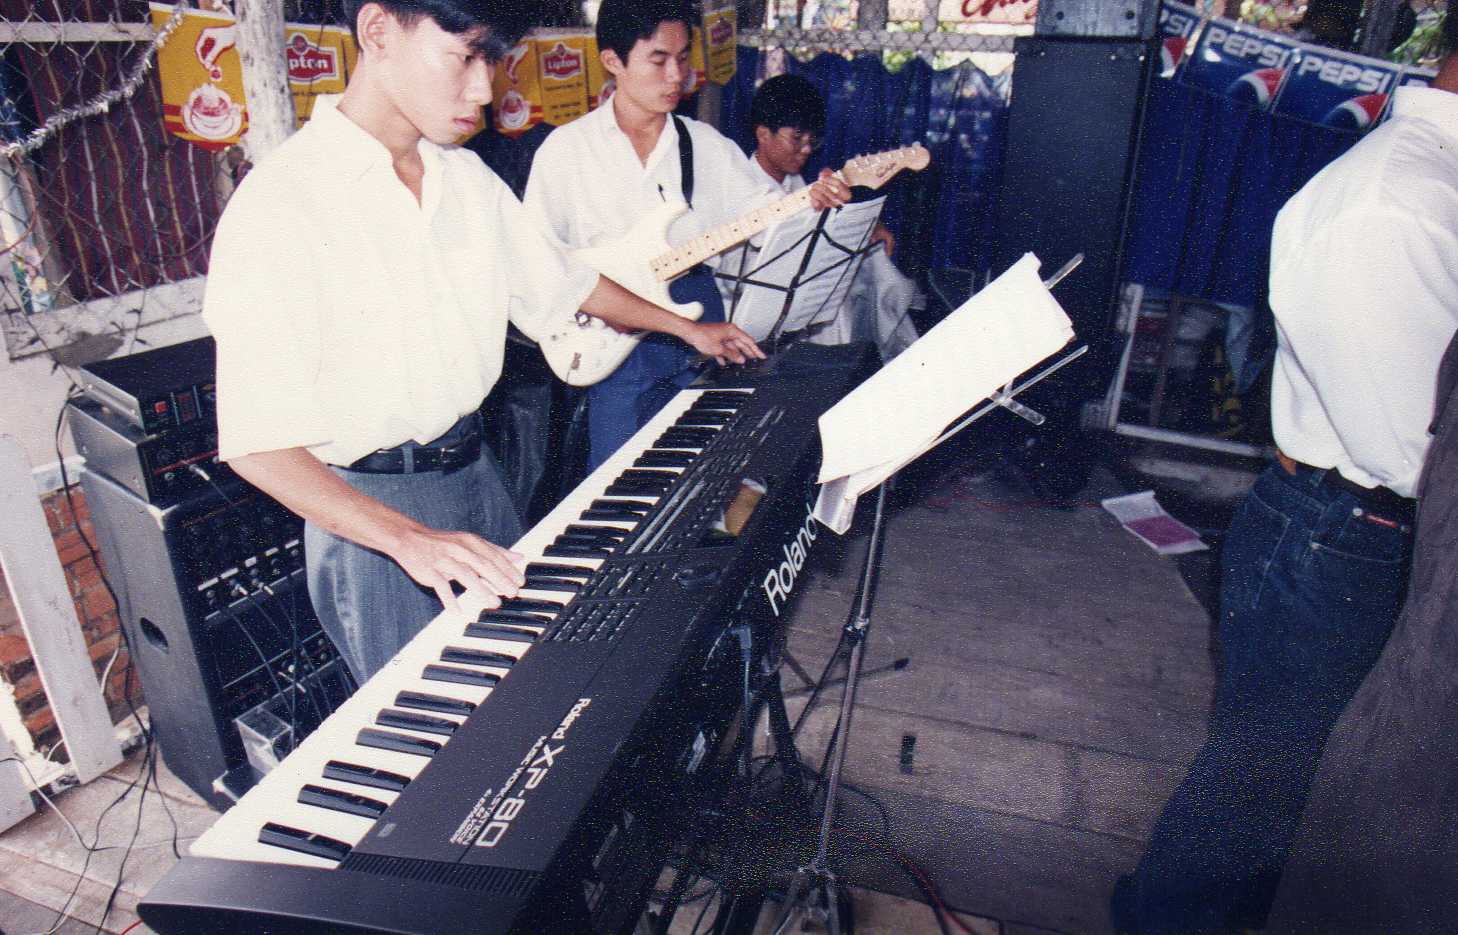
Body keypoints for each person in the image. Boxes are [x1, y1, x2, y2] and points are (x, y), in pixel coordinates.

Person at [205, 0, 764, 682]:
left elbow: (567, 283)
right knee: (441, 734)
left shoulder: (465, 179)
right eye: (465, 57)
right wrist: (410, 540)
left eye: (493, 62)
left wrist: (686, 327)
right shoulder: (281, 204)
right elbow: (258, 445)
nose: (484, 89)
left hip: (480, 476)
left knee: (526, 688)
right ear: (378, 32)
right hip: (376, 519)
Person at [1111, 11, 1458, 934]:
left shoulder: (1424, 185)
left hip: (1350, 526)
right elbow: (1410, 448)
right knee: (1256, 802)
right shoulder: (1400, 202)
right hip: (1350, 532)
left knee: (1273, 801)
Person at [523, 0, 850, 470]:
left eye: (682, 58)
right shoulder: (566, 151)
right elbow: (537, 264)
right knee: (616, 479)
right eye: (659, 60)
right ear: (613, 60)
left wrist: (811, 201)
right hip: (612, 337)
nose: (677, 75)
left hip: (701, 326)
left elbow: (767, 218)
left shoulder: (705, 145)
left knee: (699, 470)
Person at [745, 73, 918, 361]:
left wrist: (867, 226)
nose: (806, 149)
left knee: (867, 274)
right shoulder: (743, 187)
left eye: (812, 140)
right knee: (838, 313)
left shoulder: (796, 183)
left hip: (798, 310)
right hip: (753, 316)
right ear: (763, 134)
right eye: (796, 138)